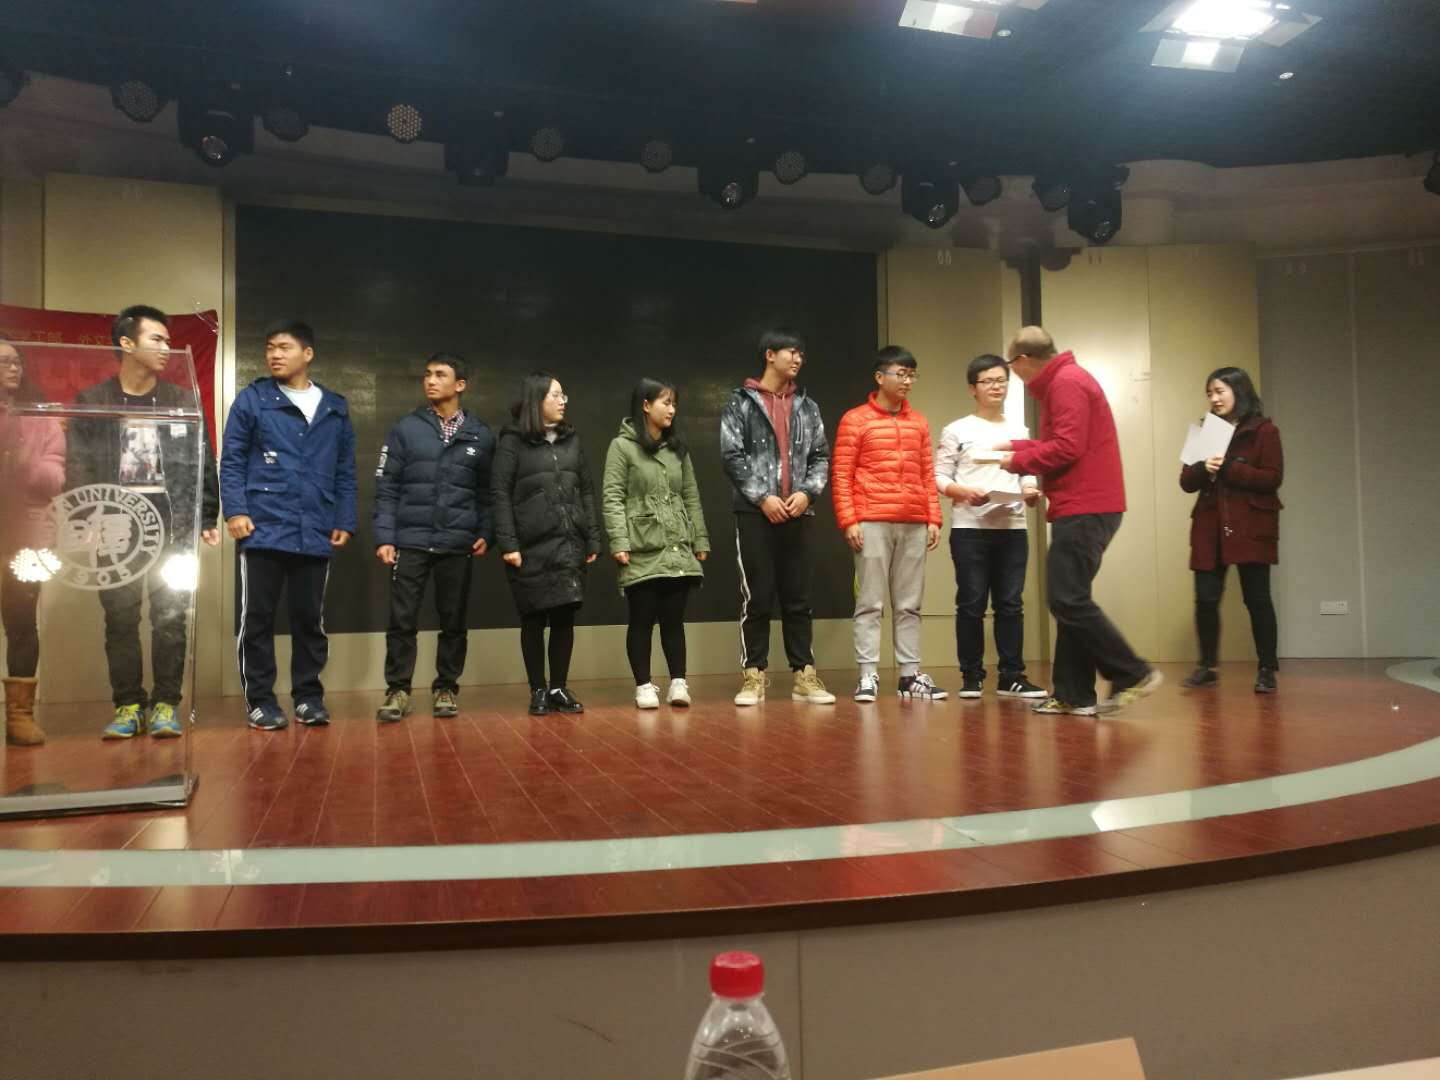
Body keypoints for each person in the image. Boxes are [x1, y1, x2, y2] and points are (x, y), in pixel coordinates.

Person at [66, 306, 221, 740]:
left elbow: (202, 459)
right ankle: (129, 705)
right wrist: (85, 519)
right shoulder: (93, 401)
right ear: (126, 343)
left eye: (169, 341)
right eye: (157, 339)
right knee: (119, 618)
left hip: (171, 523)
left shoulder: (180, 399)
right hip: (114, 524)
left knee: (170, 617)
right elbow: (78, 465)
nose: (166, 348)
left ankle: (166, 704)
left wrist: (207, 514)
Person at [997, 326, 1161, 717]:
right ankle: (1073, 693)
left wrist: (1018, 461)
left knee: (1066, 598)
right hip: (1086, 504)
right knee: (1070, 598)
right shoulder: (1067, 379)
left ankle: (1132, 672)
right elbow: (1065, 442)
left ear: (1023, 359)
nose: (1012, 372)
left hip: (1086, 505)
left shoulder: (1066, 383)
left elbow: (1068, 447)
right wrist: (1017, 447)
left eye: (1011, 364)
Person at [221, 320, 357, 731]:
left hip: (315, 526)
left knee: (309, 619)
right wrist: (235, 511)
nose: (274, 355)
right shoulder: (253, 400)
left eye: (283, 347)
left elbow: (345, 470)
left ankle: (308, 698)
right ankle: (261, 701)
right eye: (270, 348)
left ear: (307, 354)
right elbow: (232, 460)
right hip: (262, 526)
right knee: (258, 619)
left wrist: (344, 518)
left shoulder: (335, 406)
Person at [372, 353, 495, 723]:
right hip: (410, 541)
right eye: (427, 374)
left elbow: (487, 493)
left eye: (440, 375)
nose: (430, 380)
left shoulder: (481, 434)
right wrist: (385, 537)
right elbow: (387, 487)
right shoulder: (406, 428)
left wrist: (485, 532)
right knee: (402, 620)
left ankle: (446, 688)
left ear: (460, 385)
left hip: (457, 543)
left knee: (453, 621)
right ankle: (398, 690)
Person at [719, 327, 835, 706]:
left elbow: (821, 456)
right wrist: (762, 498)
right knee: (757, 597)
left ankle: (804, 674)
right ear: (770, 355)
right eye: (791, 352)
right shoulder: (740, 402)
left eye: (801, 354)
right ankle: (753, 675)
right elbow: (731, 456)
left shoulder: (808, 406)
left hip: (799, 513)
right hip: (755, 514)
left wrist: (807, 493)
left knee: (799, 598)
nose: (798, 359)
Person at [832, 345, 947, 702]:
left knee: (909, 603)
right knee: (870, 602)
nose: (908, 381)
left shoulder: (919, 422)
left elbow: (927, 473)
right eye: (901, 374)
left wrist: (934, 517)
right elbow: (841, 474)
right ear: (880, 377)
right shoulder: (855, 420)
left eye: (912, 375)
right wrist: (849, 520)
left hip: (913, 520)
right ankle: (867, 675)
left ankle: (910, 675)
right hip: (871, 520)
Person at [934, 354, 1047, 700]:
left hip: (1012, 526)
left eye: (1001, 380)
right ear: (973, 388)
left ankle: (1011, 675)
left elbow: (1028, 472)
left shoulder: (1020, 430)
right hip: (970, 527)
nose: (996, 387)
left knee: (1011, 603)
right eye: (988, 381)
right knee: (971, 603)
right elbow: (939, 476)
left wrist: (1030, 490)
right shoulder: (957, 429)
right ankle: (971, 676)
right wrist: (961, 492)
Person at [491, 372, 600, 715]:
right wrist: (509, 543)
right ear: (536, 401)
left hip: (569, 542)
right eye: (556, 394)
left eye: (563, 394)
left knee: (565, 617)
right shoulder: (512, 441)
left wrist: (592, 536)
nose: (563, 400)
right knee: (534, 619)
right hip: (528, 546)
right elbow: (499, 493)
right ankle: (537, 688)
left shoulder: (571, 440)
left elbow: (586, 489)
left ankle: (558, 687)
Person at [602, 377, 710, 709]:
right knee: (642, 619)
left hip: (677, 545)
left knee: (674, 620)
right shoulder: (622, 447)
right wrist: (619, 541)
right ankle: (644, 685)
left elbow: (691, 495)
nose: (672, 410)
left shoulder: (677, 448)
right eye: (666, 402)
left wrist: (700, 539)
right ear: (646, 406)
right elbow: (612, 497)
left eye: (674, 403)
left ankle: (678, 682)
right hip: (641, 546)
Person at [1179, 367, 1283, 693]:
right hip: (1210, 525)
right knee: (1205, 599)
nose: (1214, 398)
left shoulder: (1264, 430)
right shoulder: (1204, 429)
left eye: (1220, 391)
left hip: (1251, 523)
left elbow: (1272, 478)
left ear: (1239, 391)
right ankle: (1207, 666)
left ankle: (1267, 669)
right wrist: (1202, 467)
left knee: (1257, 599)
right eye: (1210, 393)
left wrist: (1229, 468)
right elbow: (1185, 481)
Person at [0, 338, 65, 746]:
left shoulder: (40, 416)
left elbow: (55, 478)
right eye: (4, 361)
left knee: (22, 624)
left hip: (27, 538)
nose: (13, 367)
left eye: (17, 361)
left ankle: (19, 717)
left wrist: (23, 462)